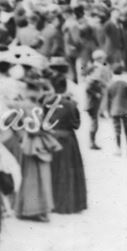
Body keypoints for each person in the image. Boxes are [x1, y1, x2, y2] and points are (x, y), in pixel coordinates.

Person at [13, 76, 59, 221]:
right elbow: (36, 127)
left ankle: (24, 208)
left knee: (28, 175)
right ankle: (37, 209)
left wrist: (21, 134)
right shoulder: (33, 107)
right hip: (37, 141)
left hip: (28, 141)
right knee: (40, 175)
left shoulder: (22, 105)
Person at [44, 65, 88, 214]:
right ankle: (69, 203)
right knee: (68, 171)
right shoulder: (70, 104)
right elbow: (76, 124)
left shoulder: (46, 102)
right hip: (67, 139)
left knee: (54, 171)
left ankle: (53, 202)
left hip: (51, 138)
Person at [105, 64, 127, 157]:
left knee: (117, 130)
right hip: (126, 109)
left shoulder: (110, 84)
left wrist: (108, 111)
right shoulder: (125, 84)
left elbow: (108, 100)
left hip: (114, 110)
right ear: (122, 72)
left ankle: (118, 149)